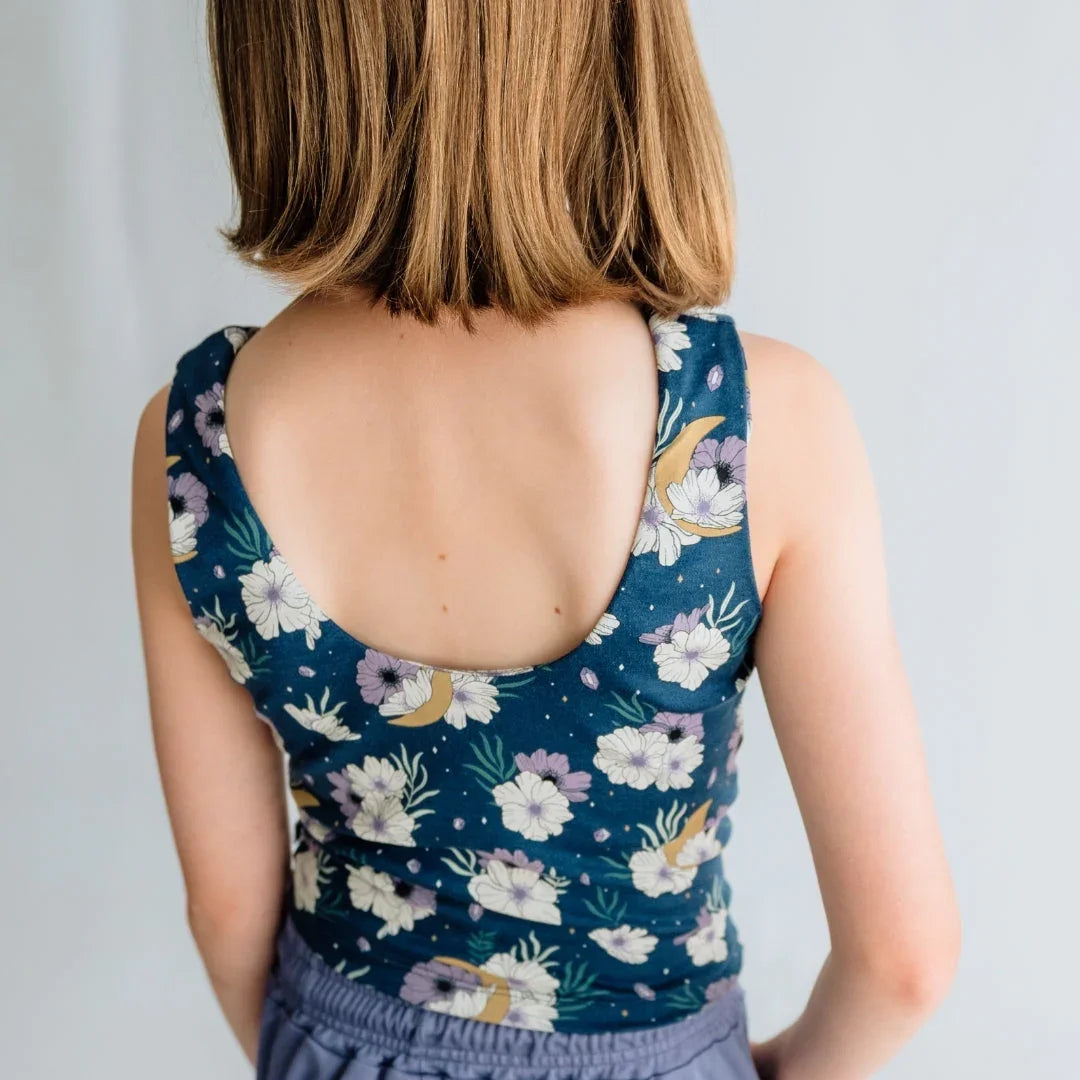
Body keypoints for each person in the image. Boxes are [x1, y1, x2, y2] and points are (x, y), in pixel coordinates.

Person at [131, 3, 960, 1078]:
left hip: (338, 1034)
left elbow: (224, 904)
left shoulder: (199, 435)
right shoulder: (753, 421)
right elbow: (904, 959)